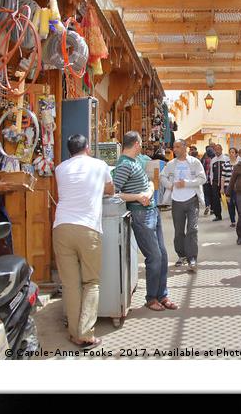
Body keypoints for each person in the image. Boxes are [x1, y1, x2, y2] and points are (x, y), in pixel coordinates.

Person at [53, 134, 115, 348]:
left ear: (69, 150)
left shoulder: (59, 169)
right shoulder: (100, 165)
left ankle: (73, 333)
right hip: (88, 228)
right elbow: (111, 189)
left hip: (61, 227)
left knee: (70, 285)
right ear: (87, 148)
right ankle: (86, 333)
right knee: (91, 282)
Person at [113, 131, 178, 312]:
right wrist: (138, 197)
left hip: (151, 211)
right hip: (141, 215)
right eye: (140, 144)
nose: (141, 146)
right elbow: (114, 193)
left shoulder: (135, 162)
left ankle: (162, 294)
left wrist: (148, 191)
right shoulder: (124, 165)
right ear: (136, 144)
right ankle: (151, 298)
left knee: (162, 256)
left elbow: (148, 182)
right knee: (154, 257)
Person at [159, 139, 206, 271]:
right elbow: (162, 177)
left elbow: (203, 179)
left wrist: (186, 183)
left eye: (178, 147)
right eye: (174, 147)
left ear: (185, 148)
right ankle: (181, 255)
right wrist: (171, 185)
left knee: (192, 229)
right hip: (176, 201)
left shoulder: (195, 163)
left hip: (192, 200)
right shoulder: (171, 164)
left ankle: (192, 258)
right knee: (179, 231)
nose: (175, 149)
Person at [210, 144, 232, 222]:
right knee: (215, 199)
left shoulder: (226, 159)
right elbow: (211, 172)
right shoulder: (213, 160)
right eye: (216, 149)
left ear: (222, 149)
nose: (217, 150)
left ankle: (231, 214)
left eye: (219, 149)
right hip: (215, 183)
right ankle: (218, 215)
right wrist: (212, 181)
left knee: (228, 199)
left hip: (225, 183)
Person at [226, 147, 240, 227]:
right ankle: (233, 221)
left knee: (238, 204)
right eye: (230, 152)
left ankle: (240, 220)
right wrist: (221, 188)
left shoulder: (239, 164)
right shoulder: (226, 164)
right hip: (228, 188)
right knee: (230, 204)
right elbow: (223, 176)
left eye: (233, 152)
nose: (231, 154)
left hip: (237, 188)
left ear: (236, 154)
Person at [201, 145, 215, 215]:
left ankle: (207, 205)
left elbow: (201, 169)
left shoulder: (204, 159)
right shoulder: (214, 159)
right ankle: (212, 209)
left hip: (205, 180)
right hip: (212, 180)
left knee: (206, 195)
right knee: (212, 195)